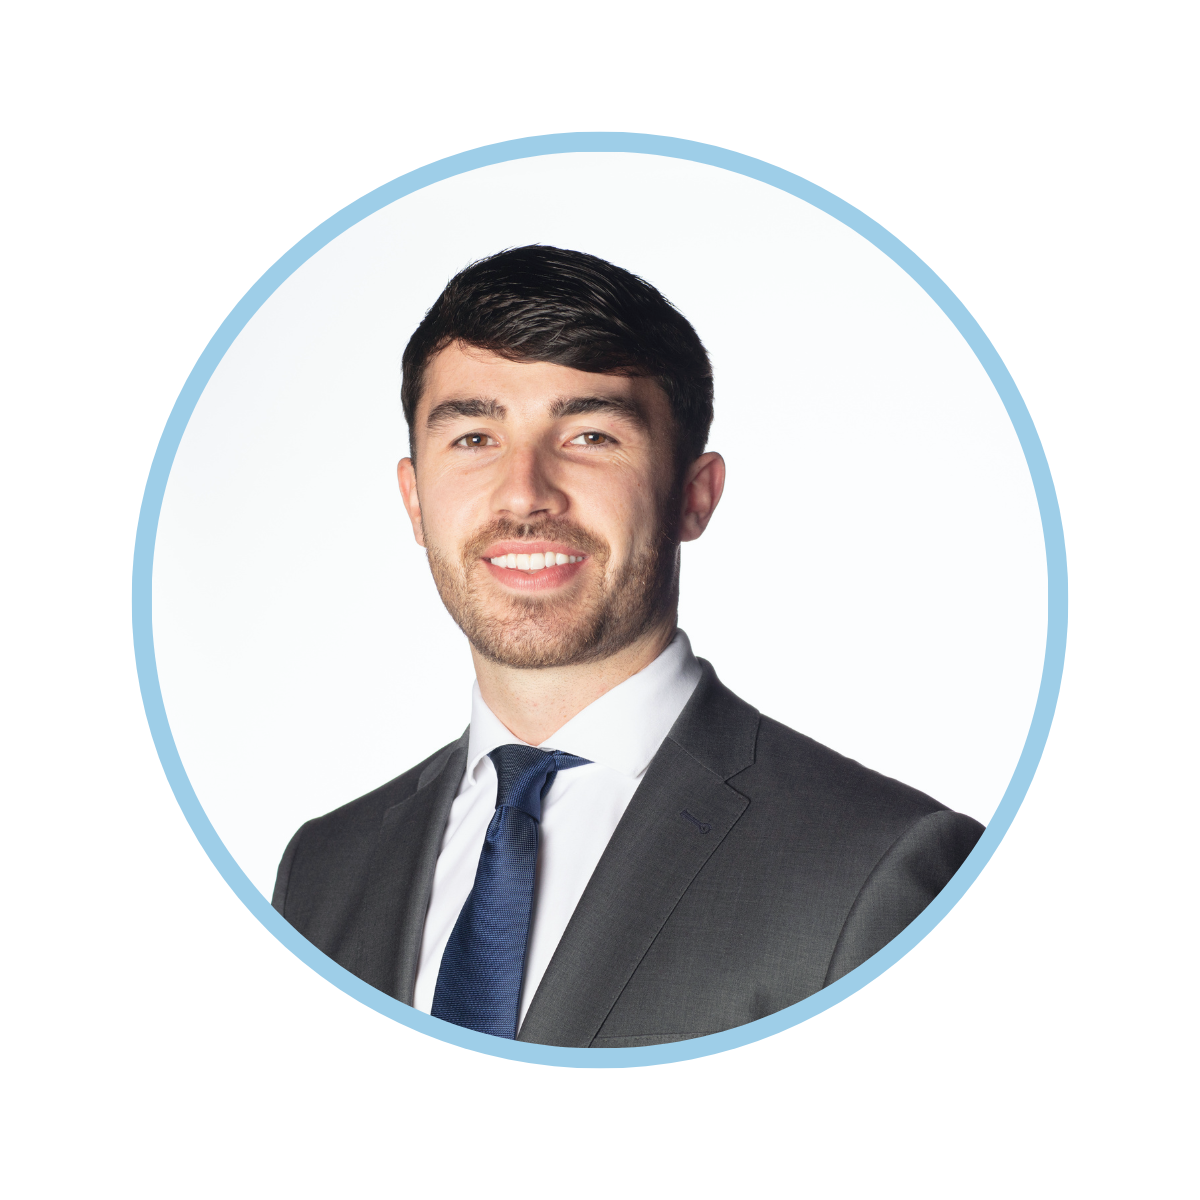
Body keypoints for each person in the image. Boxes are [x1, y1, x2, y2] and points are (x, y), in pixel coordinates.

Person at [272, 245, 984, 1048]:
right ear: (414, 499)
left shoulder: (882, 870)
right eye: (473, 438)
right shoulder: (321, 873)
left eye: (590, 436)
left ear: (693, 496)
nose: (524, 495)